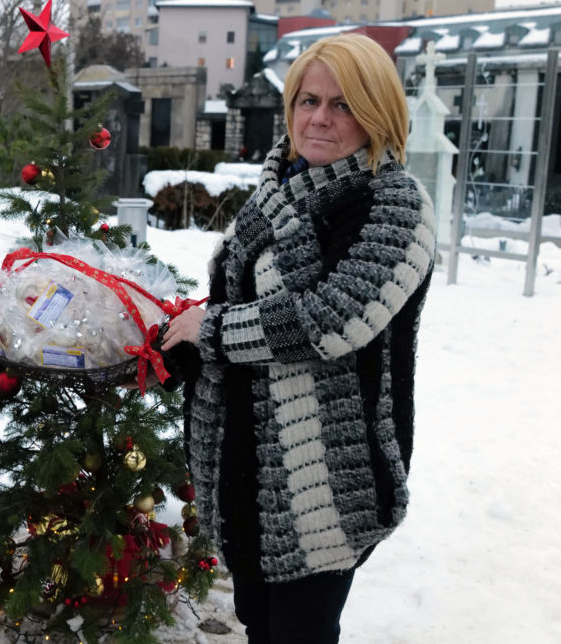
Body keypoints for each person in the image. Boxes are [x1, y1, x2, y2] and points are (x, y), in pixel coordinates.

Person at [160, 33, 436, 643]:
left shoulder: (393, 203)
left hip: (328, 479)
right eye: (309, 99)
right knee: (259, 622)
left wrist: (213, 329)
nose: (319, 118)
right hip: (244, 462)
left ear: (378, 113)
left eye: (343, 104)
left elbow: (332, 319)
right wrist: (176, 341)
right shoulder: (276, 191)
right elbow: (238, 303)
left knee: (301, 631)